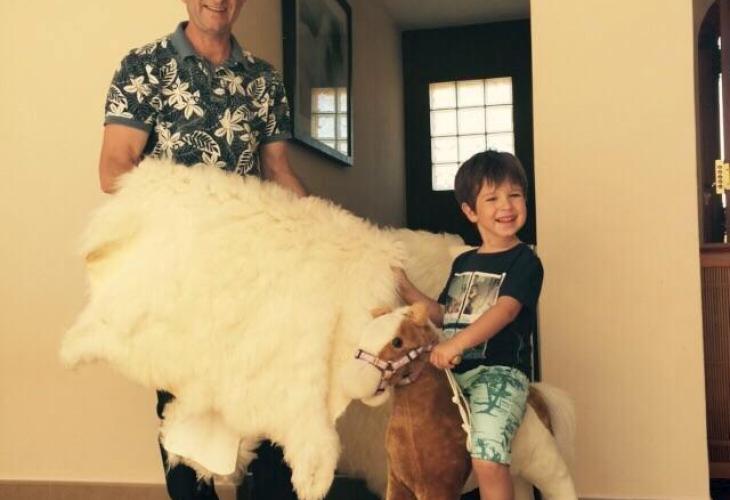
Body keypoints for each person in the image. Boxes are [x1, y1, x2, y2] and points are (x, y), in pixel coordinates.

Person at [98, 1, 305, 498]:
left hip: (253, 271)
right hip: (177, 274)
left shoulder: (264, 78)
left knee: (269, 407)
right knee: (186, 414)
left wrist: (328, 231)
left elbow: (277, 170)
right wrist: (194, 215)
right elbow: (114, 168)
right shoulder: (143, 66)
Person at [396, 150, 543, 500]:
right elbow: (444, 313)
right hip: (452, 373)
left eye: (514, 195)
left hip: (497, 374)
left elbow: (505, 311)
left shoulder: (525, 260)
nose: (506, 206)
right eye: (492, 198)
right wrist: (404, 287)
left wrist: (456, 344)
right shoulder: (463, 262)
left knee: (487, 457)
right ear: (470, 211)